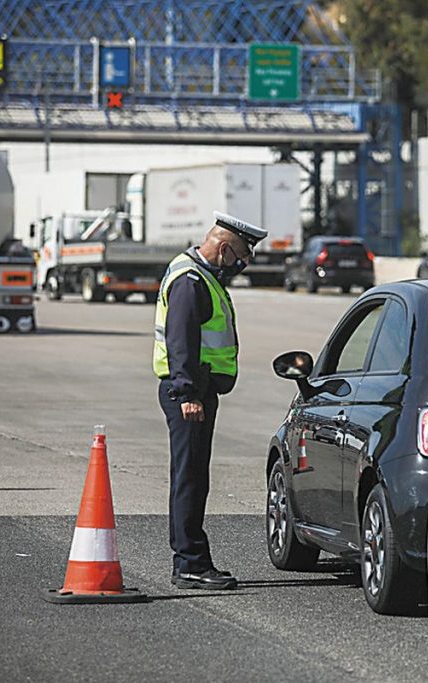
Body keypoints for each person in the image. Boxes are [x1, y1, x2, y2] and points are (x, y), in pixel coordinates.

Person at [153, 211, 267, 590]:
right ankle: (189, 563)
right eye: (240, 256)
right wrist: (187, 394)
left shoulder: (201, 276)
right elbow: (180, 340)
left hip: (199, 391)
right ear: (222, 247)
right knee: (189, 479)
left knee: (195, 477)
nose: (242, 264)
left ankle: (192, 559)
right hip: (189, 394)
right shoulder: (190, 281)